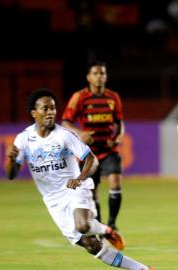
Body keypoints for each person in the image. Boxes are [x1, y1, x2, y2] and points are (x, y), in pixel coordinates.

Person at [5, 89, 153, 270]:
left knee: (83, 226)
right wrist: (12, 159)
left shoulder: (63, 135)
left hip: (75, 189)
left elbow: (92, 160)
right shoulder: (24, 139)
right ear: (34, 113)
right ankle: (135, 261)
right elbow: (11, 175)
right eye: (45, 109)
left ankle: (117, 241)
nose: (51, 112)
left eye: (53, 108)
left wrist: (79, 178)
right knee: (92, 246)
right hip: (53, 201)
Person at [62, 60, 124, 230]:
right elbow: (66, 121)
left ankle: (112, 223)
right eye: (95, 74)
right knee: (93, 191)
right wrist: (80, 133)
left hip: (109, 149)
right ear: (89, 77)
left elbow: (120, 122)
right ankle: (101, 223)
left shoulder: (113, 97)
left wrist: (118, 136)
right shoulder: (79, 97)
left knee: (116, 183)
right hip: (89, 154)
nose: (99, 77)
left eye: (102, 73)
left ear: (106, 77)